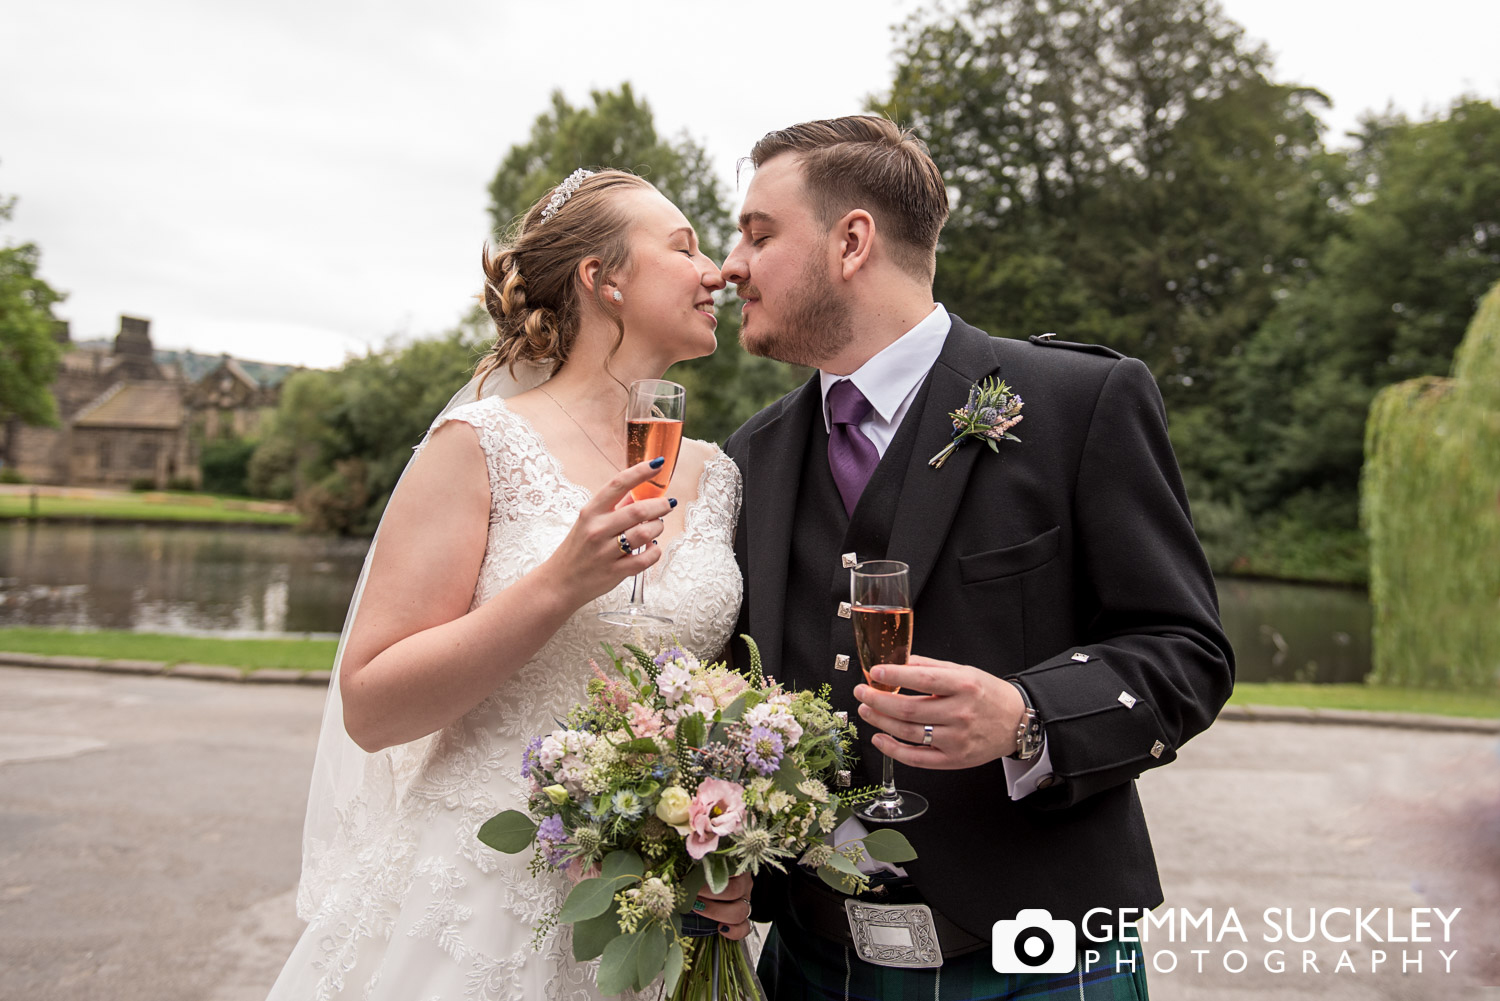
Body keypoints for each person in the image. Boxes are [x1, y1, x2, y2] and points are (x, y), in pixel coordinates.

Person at [722, 117, 1234, 999]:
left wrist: (1028, 713)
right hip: (811, 963)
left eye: (759, 234)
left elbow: (1187, 651)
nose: (731, 264)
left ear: (852, 241)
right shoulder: (751, 457)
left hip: (1035, 961)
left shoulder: (1081, 402)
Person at [267, 168, 753, 1001]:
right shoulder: (481, 444)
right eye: (684, 248)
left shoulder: (720, 475)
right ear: (606, 281)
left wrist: (723, 837)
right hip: (483, 887)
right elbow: (373, 707)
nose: (717, 271)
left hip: (651, 913)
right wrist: (558, 583)